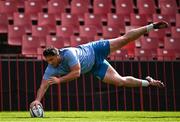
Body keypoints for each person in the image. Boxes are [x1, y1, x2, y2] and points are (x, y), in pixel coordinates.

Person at [30, 21, 168, 108]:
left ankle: (152, 26)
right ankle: (149, 82)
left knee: (123, 40)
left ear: (58, 54)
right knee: (120, 82)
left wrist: (59, 80)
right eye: (48, 61)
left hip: (95, 49)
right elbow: (44, 84)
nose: (50, 63)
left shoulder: (69, 54)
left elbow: (76, 73)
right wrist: (37, 100)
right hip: (94, 67)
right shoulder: (51, 67)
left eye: (52, 59)